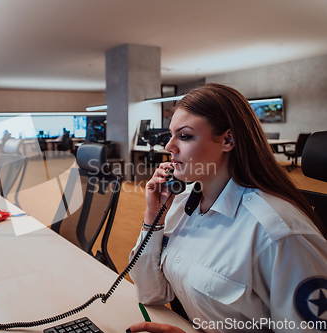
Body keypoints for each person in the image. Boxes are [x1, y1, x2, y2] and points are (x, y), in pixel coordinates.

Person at [126, 83, 327, 333]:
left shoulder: (278, 234)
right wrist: (153, 218)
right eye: (171, 134)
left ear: (228, 139)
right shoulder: (181, 203)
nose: (169, 147)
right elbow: (150, 293)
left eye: (185, 136)